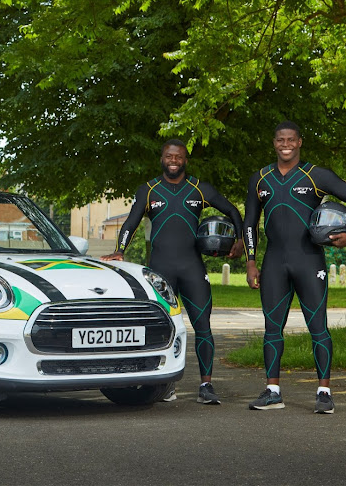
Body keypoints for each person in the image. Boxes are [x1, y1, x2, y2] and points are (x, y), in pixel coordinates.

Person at [102, 139, 243, 404]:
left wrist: (239, 242)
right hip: (160, 272)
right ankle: (164, 385)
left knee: (203, 326)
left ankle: (206, 386)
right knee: (161, 328)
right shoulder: (149, 189)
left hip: (192, 268)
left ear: (185, 160)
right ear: (162, 159)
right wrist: (120, 250)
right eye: (169, 156)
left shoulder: (199, 188)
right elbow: (131, 222)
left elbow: (233, 211)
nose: (174, 160)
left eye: (178, 157)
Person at [243, 121, 346, 413]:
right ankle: (273, 391)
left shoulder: (316, 175)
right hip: (273, 262)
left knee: (318, 327)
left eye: (291, 139)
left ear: (299, 142)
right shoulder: (260, 179)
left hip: (309, 260)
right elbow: (249, 223)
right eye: (280, 140)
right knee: (272, 328)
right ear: (274, 143)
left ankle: (324, 392)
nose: (285, 144)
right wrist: (250, 261)